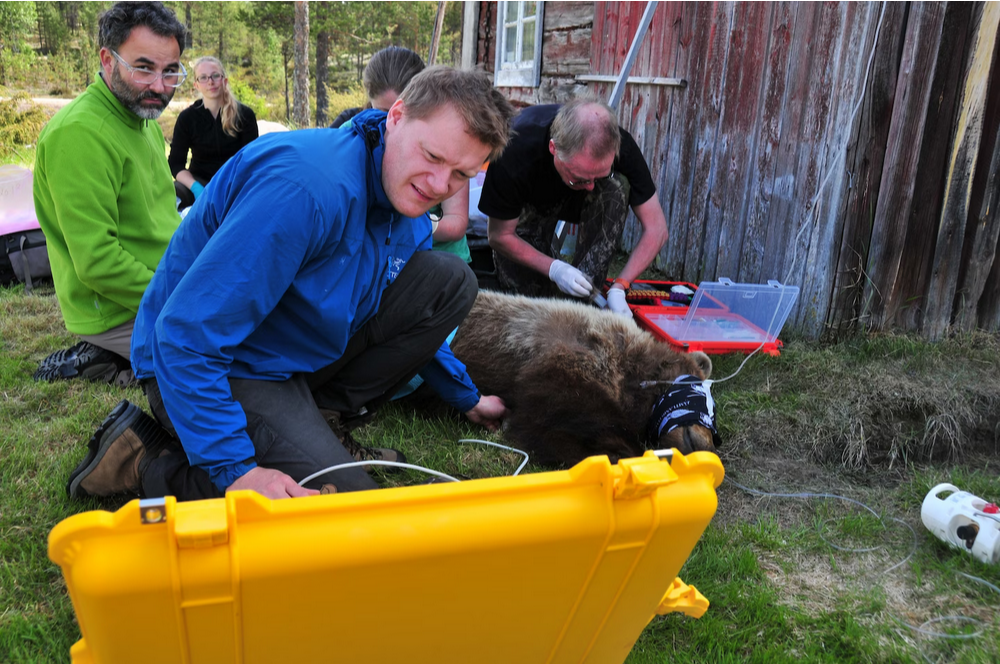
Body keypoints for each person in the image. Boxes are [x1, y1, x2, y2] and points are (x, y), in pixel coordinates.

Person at [65, 66, 516, 503]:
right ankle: (145, 461)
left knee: (450, 280)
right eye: (433, 156)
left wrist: (467, 398)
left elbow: (399, 306)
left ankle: (321, 421)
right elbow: (185, 336)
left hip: (287, 354)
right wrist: (237, 469)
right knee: (341, 508)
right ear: (396, 116)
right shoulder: (305, 190)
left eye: (461, 175)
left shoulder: (405, 202)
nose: (440, 183)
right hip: (218, 363)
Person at [32, 1, 186, 385]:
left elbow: (160, 214)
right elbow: (98, 261)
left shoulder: (140, 114)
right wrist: (181, 298)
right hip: (118, 308)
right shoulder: (81, 133)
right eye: (144, 67)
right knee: (239, 355)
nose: (159, 87)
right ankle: (111, 355)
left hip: (163, 281)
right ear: (107, 59)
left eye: (170, 72)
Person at [478, 97, 669, 317]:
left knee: (616, 187)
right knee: (529, 302)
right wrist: (555, 269)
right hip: (531, 200)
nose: (589, 187)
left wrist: (620, 287)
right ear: (553, 148)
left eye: (597, 177)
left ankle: (586, 296)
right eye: (579, 178)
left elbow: (657, 229)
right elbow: (499, 236)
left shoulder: (618, 145)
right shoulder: (514, 148)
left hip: (580, 207)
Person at [333, 45, 471, 262]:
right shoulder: (351, 132)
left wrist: (399, 224)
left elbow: (456, 223)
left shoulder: (448, 136)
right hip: (375, 255)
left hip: (439, 256)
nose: (391, 124)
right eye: (380, 113)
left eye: (403, 113)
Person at [168, 56, 258, 210]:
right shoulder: (187, 118)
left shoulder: (244, 115)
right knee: (174, 194)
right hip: (199, 182)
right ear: (196, 85)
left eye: (215, 75)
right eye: (203, 77)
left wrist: (235, 187)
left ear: (224, 80)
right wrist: (196, 188)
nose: (210, 81)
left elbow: (251, 160)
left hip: (235, 183)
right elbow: (175, 164)